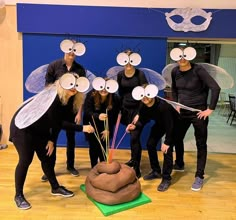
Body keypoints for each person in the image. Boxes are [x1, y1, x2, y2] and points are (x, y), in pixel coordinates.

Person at [9, 74, 94, 210]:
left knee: (48, 157)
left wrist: (51, 140)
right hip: (23, 127)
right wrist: (83, 128)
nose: (73, 88)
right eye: (70, 83)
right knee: (25, 160)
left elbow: (55, 124)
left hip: (40, 129)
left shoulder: (68, 100)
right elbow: (58, 122)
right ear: (62, 83)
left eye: (76, 85)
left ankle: (55, 187)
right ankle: (18, 195)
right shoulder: (53, 97)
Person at [170, 46, 221, 191]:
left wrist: (210, 109)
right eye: (180, 56)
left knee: (201, 144)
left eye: (185, 56)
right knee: (176, 138)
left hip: (199, 113)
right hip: (182, 112)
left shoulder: (198, 70)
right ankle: (179, 163)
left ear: (190, 56)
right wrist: (176, 103)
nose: (182, 59)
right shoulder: (175, 71)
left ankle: (199, 176)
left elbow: (215, 88)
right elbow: (174, 88)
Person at [44, 39, 86, 177]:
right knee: (52, 138)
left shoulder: (80, 69)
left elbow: (81, 92)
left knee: (71, 138)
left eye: (74, 50)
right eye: (69, 49)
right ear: (64, 48)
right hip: (56, 109)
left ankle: (70, 166)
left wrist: (79, 112)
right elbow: (47, 89)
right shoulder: (54, 66)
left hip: (71, 109)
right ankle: (50, 169)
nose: (71, 53)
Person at [126, 84, 178, 191]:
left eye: (147, 94)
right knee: (150, 144)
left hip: (174, 125)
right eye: (142, 95)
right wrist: (134, 125)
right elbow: (142, 121)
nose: (144, 98)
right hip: (160, 124)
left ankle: (166, 178)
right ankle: (156, 171)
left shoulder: (164, 107)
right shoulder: (143, 106)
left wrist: (167, 142)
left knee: (167, 150)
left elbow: (170, 125)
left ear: (153, 94)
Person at [116, 49, 148, 178]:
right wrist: (119, 109)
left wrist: (139, 113)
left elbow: (146, 95)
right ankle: (133, 159)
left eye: (131, 59)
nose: (128, 63)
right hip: (125, 109)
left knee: (135, 137)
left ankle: (137, 167)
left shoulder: (140, 74)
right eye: (126, 59)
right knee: (131, 137)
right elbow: (120, 93)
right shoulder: (120, 74)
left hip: (138, 109)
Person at [83, 77, 120, 168]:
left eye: (106, 87)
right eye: (101, 87)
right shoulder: (91, 95)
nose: (103, 90)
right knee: (93, 147)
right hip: (91, 125)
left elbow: (113, 117)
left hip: (105, 127)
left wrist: (108, 130)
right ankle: (94, 167)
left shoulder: (115, 98)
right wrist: (97, 116)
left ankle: (104, 167)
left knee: (104, 148)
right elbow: (87, 112)